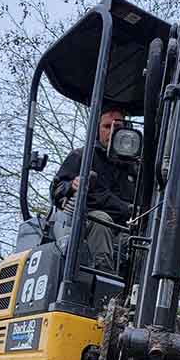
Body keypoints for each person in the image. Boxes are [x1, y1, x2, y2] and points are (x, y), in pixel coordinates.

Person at [49, 106, 135, 272]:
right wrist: (70, 186)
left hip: (122, 227)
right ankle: (103, 277)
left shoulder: (134, 169)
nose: (112, 132)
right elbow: (57, 190)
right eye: (107, 127)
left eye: (117, 128)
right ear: (97, 130)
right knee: (101, 221)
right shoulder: (82, 156)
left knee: (138, 240)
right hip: (85, 224)